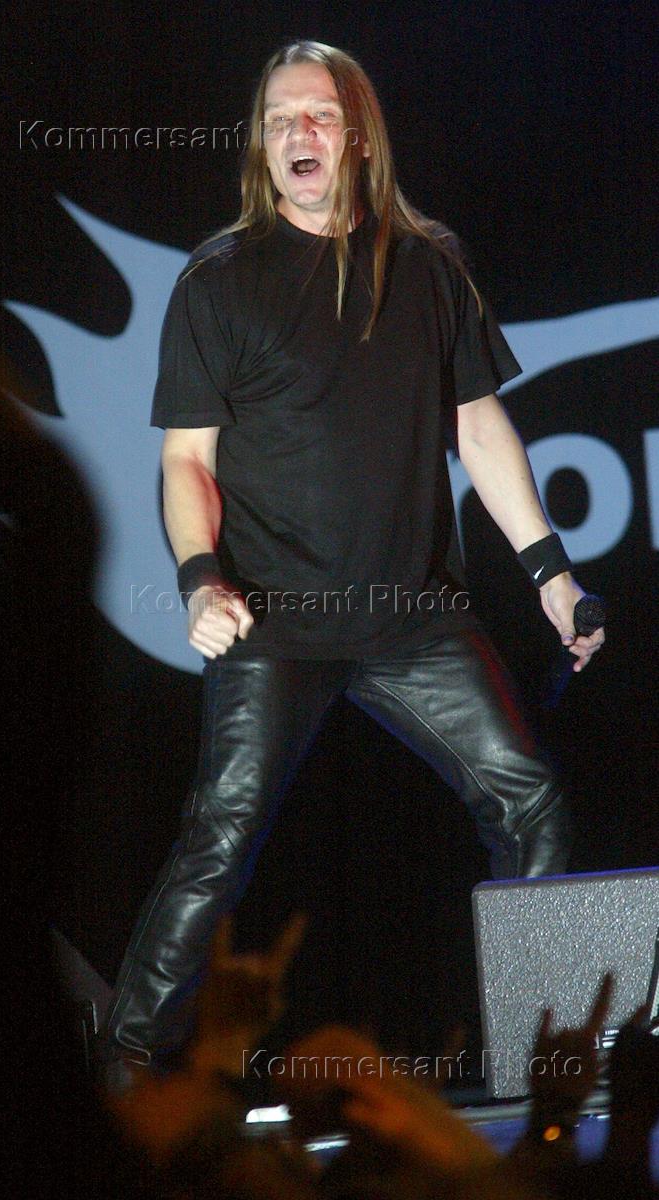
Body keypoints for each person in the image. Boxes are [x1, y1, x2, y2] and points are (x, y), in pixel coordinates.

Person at [103, 41, 604, 1073]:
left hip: (414, 618)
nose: (297, 133)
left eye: (318, 116)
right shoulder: (219, 280)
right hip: (275, 616)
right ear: (261, 144)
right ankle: (124, 1078)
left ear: (357, 136)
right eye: (278, 119)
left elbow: (478, 427)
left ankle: (549, 1062)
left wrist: (551, 573)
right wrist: (200, 578)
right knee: (218, 839)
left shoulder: (428, 264)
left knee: (532, 805)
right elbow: (186, 459)